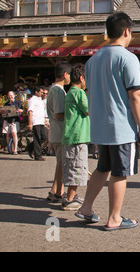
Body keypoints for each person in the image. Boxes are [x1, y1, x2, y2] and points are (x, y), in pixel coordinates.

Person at [76, 12, 140, 231]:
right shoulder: (128, 58)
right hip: (122, 127)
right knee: (120, 172)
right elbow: (136, 95)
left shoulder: (92, 60)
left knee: (102, 168)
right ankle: (114, 217)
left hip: (100, 126)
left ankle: (86, 207)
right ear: (127, 31)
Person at [61, 63, 89, 211]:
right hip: (77, 136)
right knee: (77, 169)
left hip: (72, 136)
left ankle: (71, 196)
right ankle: (69, 199)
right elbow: (88, 110)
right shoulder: (79, 93)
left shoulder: (70, 92)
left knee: (74, 167)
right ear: (81, 77)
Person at [46, 61, 72, 203]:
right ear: (65, 74)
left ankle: (55, 190)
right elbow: (58, 113)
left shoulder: (53, 89)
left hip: (55, 131)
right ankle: (59, 192)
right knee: (62, 163)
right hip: (59, 131)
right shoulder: (58, 91)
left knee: (60, 163)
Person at [27, 85, 47, 161]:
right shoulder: (32, 100)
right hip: (35, 121)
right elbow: (30, 112)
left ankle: (30, 147)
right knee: (37, 138)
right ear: (36, 92)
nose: (42, 94)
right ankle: (38, 155)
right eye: (41, 92)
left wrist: (45, 120)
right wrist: (30, 123)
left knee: (44, 137)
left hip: (41, 121)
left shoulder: (40, 100)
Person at [2, 91, 23, 155]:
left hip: (14, 120)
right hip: (7, 120)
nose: (10, 97)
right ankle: (9, 149)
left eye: (11, 95)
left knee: (14, 133)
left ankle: (15, 149)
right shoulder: (6, 104)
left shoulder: (17, 103)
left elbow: (21, 110)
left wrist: (17, 110)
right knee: (8, 134)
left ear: (14, 96)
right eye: (9, 95)